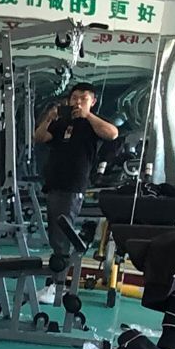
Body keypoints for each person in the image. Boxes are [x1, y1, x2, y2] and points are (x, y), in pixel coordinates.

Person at [32, 83, 119, 280]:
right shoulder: (62, 122)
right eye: (74, 98)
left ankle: (59, 280)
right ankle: (58, 277)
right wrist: (49, 118)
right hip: (54, 182)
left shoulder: (93, 124)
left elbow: (112, 133)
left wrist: (87, 115)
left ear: (92, 102)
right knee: (56, 232)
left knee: (62, 234)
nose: (78, 102)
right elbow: (39, 137)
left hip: (73, 184)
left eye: (83, 98)